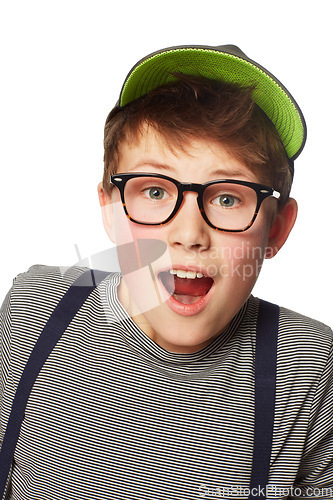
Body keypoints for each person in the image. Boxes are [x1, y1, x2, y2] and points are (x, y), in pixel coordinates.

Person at [0, 44, 332, 500]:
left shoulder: (309, 367)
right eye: (155, 191)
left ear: (276, 228)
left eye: (228, 198)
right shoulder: (32, 310)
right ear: (112, 209)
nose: (189, 234)